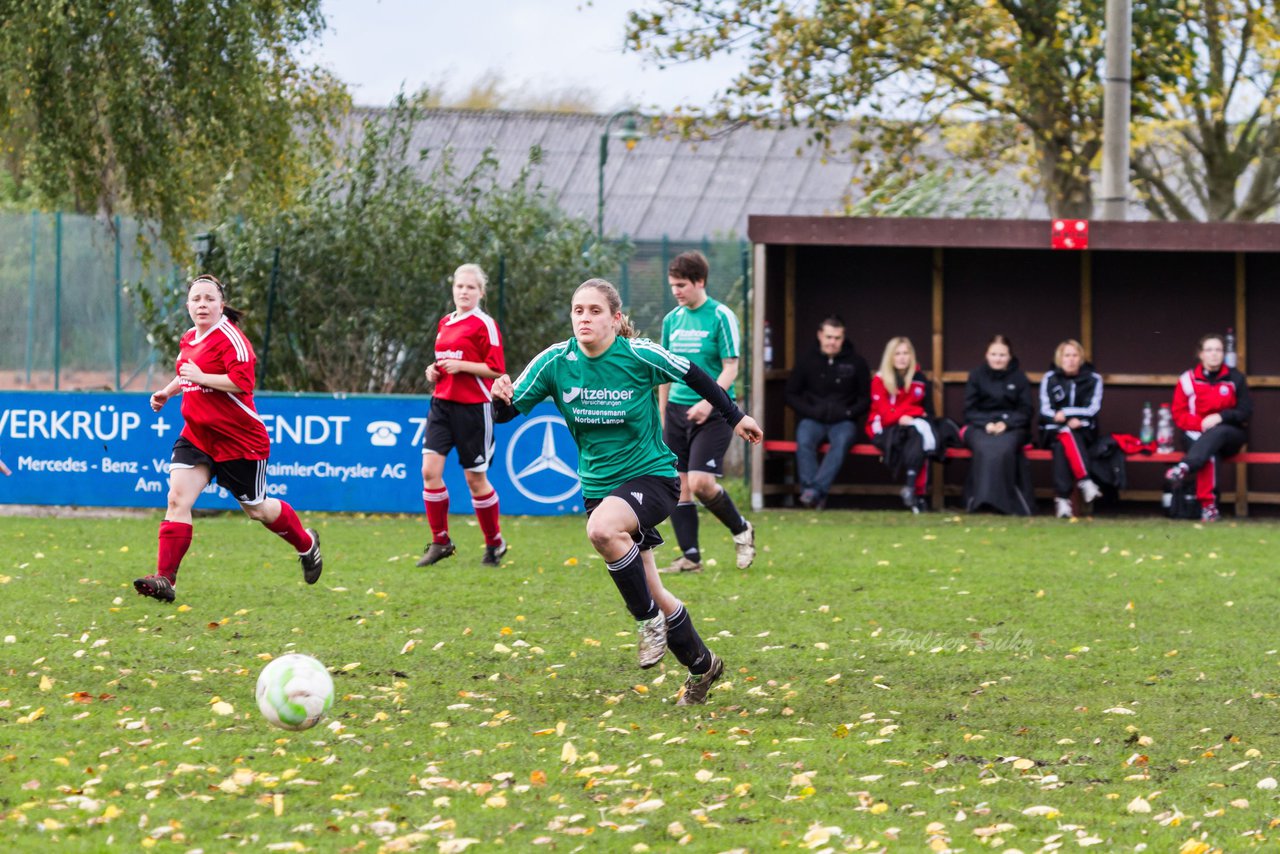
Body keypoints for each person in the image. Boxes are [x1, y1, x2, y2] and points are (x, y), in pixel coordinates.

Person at [490, 278, 763, 705]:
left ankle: (647, 622)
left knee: (602, 531)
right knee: (653, 585)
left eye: (595, 311)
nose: (585, 318)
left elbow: (696, 374)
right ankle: (703, 665)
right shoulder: (554, 363)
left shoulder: (639, 355)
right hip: (601, 488)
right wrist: (499, 398)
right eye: (578, 310)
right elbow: (507, 413)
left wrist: (735, 416)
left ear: (616, 320)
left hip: (653, 477)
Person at [134, 274, 322, 603]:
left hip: (239, 440)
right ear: (188, 305)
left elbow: (242, 382)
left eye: (209, 299)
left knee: (258, 510)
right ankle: (166, 579)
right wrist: (167, 391)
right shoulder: (189, 338)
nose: (202, 304)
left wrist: (201, 376)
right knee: (177, 499)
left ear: (222, 305)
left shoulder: (232, 338)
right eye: (196, 299)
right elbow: (187, 375)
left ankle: (307, 544)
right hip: (198, 436)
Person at [657, 251, 755, 574]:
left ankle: (741, 529)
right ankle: (690, 557)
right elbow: (664, 373)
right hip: (676, 411)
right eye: (672, 285)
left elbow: (731, 368)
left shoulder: (721, 316)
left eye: (682, 284)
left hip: (715, 412)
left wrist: (708, 402)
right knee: (679, 484)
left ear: (700, 282)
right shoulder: (672, 320)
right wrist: (661, 414)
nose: (676, 291)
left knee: (700, 483)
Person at [417, 263, 508, 567]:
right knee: (430, 472)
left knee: (475, 480)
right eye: (459, 286)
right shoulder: (446, 322)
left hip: (473, 408)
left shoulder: (485, 324)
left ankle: (494, 544)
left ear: (481, 292)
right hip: (441, 404)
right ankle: (441, 541)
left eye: (471, 287)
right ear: (453, 289)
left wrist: (464, 367)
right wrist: (433, 370)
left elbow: (496, 368)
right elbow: (444, 361)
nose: (464, 291)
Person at [784, 316, 870, 509]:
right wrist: (810, 411)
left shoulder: (856, 363)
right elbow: (790, 394)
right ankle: (812, 492)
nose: (832, 342)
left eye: (837, 338)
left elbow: (865, 399)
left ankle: (814, 492)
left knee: (841, 443)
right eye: (829, 337)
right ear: (820, 335)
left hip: (844, 421)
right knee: (804, 439)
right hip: (813, 419)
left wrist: (848, 413)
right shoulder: (806, 361)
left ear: (843, 337)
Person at [1164, 333, 1252, 522]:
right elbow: (1179, 415)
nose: (1214, 354)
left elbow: (1245, 411)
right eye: (1209, 350)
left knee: (1218, 432)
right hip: (1196, 433)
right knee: (1210, 452)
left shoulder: (1235, 378)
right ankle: (1208, 507)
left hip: (1230, 434)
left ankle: (1184, 466)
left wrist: (1221, 416)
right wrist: (1201, 424)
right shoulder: (1187, 379)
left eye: (1218, 350)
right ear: (1201, 354)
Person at [962, 334, 1035, 515]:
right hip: (980, 426)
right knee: (984, 447)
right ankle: (979, 500)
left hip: (1013, 427)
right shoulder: (976, 376)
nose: (998, 359)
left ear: (1009, 356)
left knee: (1002, 448)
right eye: (994, 354)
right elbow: (969, 410)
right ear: (987, 355)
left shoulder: (1019, 378)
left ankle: (1005, 502)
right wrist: (985, 424)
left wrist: (1007, 423)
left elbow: (1026, 411)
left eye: (1002, 355)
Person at [867, 337, 935, 513]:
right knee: (914, 436)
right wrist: (914, 412)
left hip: (910, 429)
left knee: (919, 436)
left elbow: (929, 412)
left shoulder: (919, 379)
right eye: (897, 353)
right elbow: (885, 415)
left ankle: (912, 490)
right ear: (890, 357)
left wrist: (910, 415)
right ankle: (915, 494)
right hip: (882, 429)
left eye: (906, 353)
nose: (902, 358)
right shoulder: (879, 380)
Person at [1039, 339, 1105, 518]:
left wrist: (1066, 414)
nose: (1071, 360)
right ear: (1060, 358)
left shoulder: (1094, 379)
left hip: (1083, 432)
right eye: (1067, 355)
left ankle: (1062, 500)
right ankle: (1085, 481)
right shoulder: (1050, 378)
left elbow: (1093, 409)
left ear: (1081, 358)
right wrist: (1064, 419)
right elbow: (1045, 409)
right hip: (1053, 430)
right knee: (1064, 435)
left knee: (1064, 442)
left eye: (1075, 355)